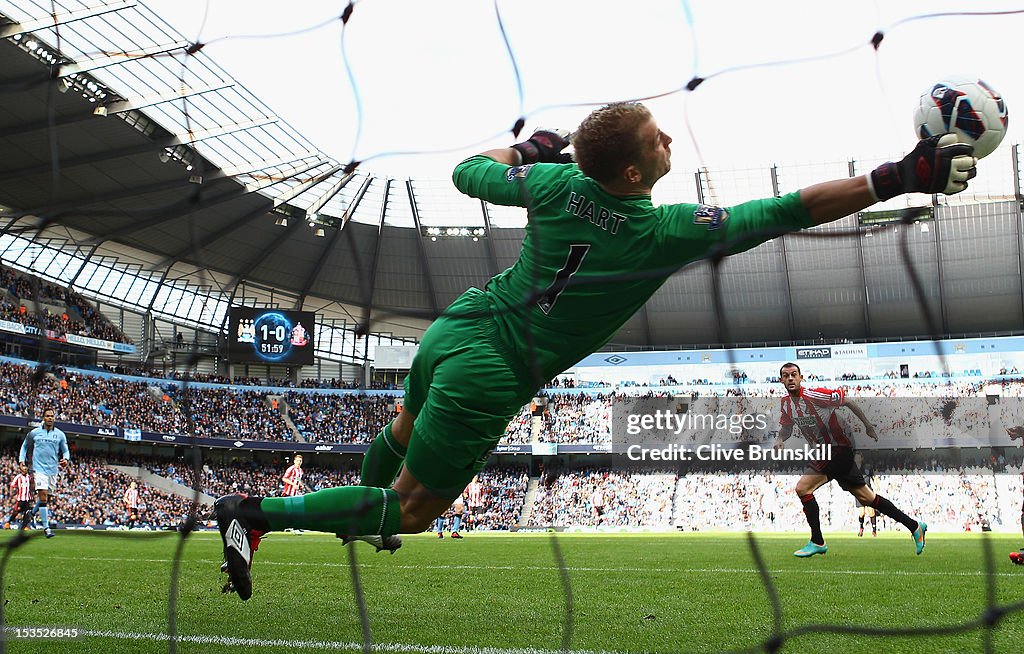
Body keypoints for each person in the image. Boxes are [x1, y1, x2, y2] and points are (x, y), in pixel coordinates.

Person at [215, 101, 976, 600]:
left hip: (460, 325)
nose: (670, 137)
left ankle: (363, 521)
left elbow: (466, 171)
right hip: (493, 371)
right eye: (657, 137)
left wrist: (529, 148)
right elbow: (784, 210)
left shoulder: (549, 183)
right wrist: (896, 178)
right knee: (414, 513)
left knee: (402, 436)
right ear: (636, 173)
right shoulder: (662, 231)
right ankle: (256, 513)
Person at [773, 363, 925, 557]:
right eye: (786, 376)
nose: (790, 378)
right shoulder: (786, 404)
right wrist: (779, 439)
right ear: (781, 380)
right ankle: (915, 526)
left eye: (794, 375)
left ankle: (817, 541)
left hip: (836, 450)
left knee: (803, 488)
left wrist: (868, 426)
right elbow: (786, 428)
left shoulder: (815, 395)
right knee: (867, 498)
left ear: (801, 377)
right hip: (830, 453)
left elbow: (847, 401)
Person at [19, 407, 70, 538]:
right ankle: (46, 528)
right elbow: (24, 446)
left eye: (52, 416)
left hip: (53, 470)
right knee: (43, 496)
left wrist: (66, 459)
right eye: (47, 416)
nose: (50, 418)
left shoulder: (60, 434)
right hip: (39, 469)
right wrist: (21, 461)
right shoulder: (35, 433)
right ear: (43, 417)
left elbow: (65, 450)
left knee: (47, 498)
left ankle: (31, 513)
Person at [853, 453, 877, 537]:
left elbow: (874, 477)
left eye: (858, 458)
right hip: (858, 491)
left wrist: (877, 487)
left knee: (871, 512)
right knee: (862, 513)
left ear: (862, 458)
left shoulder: (868, 467)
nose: (857, 460)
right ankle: (861, 528)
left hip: (868, 491)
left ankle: (874, 530)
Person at [9, 462, 33, 530]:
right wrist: (11, 494)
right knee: (16, 511)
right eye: (23, 469)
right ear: (21, 470)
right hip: (20, 498)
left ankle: (24, 526)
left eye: (25, 469)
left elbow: (32, 485)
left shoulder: (29, 477)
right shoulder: (18, 477)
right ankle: (9, 522)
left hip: (28, 498)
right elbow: (12, 485)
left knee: (27, 513)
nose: (24, 471)